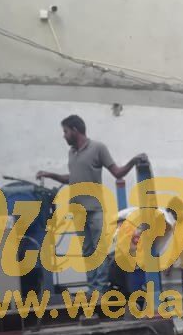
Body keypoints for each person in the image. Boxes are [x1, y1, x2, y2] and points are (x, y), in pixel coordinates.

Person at [36, 115, 146, 293]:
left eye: (65, 131)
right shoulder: (72, 153)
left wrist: (133, 161)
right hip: (77, 210)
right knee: (87, 251)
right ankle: (92, 289)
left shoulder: (98, 148)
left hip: (95, 209)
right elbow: (72, 177)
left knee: (99, 250)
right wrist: (50, 174)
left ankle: (100, 289)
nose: (64, 136)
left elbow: (117, 173)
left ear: (75, 130)